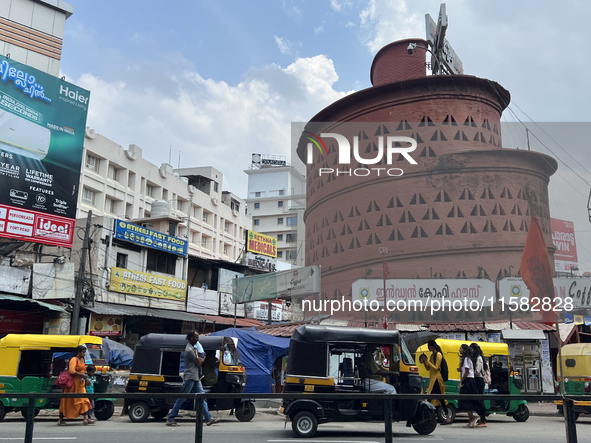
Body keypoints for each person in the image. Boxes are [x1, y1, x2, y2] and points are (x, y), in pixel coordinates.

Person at [167, 331, 219, 427]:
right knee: (182, 398)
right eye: (196, 337)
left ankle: (208, 418)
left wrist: (201, 357)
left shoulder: (193, 348)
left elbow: (200, 360)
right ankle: (170, 418)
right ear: (190, 339)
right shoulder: (189, 350)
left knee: (202, 397)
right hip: (190, 377)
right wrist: (202, 357)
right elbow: (199, 362)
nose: (198, 339)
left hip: (195, 377)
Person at [58, 345, 93, 426]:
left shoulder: (82, 360)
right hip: (72, 384)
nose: (84, 354)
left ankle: (86, 418)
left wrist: (86, 379)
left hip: (80, 384)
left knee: (84, 400)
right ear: (78, 352)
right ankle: (61, 419)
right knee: (67, 401)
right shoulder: (74, 360)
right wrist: (83, 376)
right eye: (83, 352)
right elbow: (72, 371)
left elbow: (83, 371)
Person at [419, 340, 451, 425]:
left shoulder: (438, 355)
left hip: (437, 379)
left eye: (428, 346)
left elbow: (436, 368)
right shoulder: (432, 355)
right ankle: (447, 418)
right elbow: (428, 368)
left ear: (433, 346)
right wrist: (425, 360)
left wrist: (428, 361)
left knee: (430, 398)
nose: (427, 348)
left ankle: (426, 416)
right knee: (440, 399)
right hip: (433, 379)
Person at [457, 344, 481, 428]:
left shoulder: (467, 359)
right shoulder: (466, 359)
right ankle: (471, 419)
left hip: (468, 381)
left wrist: (461, 382)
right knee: (465, 401)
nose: (459, 350)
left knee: (466, 400)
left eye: (461, 348)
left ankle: (473, 417)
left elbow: (467, 372)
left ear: (464, 350)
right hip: (469, 380)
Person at [470, 343, 488, 428]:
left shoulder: (479, 358)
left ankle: (483, 419)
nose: (471, 351)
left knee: (479, 400)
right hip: (476, 380)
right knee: (477, 400)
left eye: (472, 349)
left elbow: (477, 371)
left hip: (479, 380)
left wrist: (471, 372)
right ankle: (481, 418)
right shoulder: (475, 358)